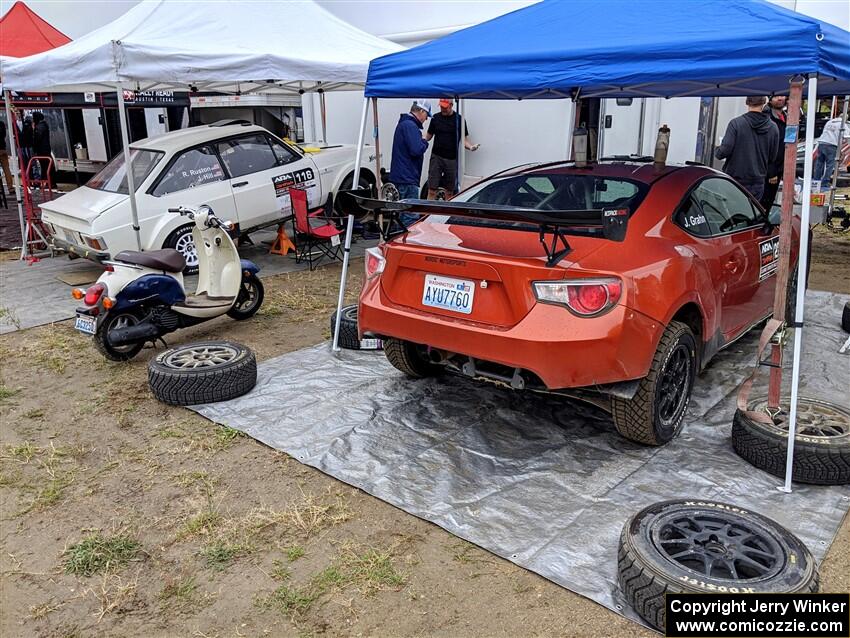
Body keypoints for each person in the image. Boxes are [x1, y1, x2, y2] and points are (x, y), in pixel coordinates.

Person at [715, 96, 779, 201]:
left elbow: (723, 151)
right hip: (757, 182)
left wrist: (717, 150)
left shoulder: (736, 124)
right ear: (764, 103)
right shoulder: (773, 127)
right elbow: (772, 157)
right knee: (750, 214)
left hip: (734, 180)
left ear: (747, 103)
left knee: (732, 214)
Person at [424, 98, 479, 199]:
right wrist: (418, 138)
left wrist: (471, 147)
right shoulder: (435, 118)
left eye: (445, 107)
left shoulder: (459, 120)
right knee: (432, 189)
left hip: (451, 159)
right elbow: (428, 136)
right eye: (441, 106)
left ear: (451, 105)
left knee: (449, 190)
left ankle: (446, 212)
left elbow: (464, 140)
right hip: (436, 157)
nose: (442, 109)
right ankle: (428, 212)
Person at [389, 99, 431, 224]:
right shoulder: (410, 126)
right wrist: (424, 141)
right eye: (426, 115)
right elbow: (416, 150)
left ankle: (397, 239)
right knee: (410, 215)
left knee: (400, 214)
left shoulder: (404, 124)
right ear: (422, 111)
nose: (426, 119)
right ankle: (406, 241)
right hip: (407, 178)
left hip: (401, 176)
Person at [760, 95, 787, 210]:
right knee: (763, 202)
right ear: (770, 99)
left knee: (770, 201)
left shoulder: (785, 116)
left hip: (779, 167)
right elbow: (765, 146)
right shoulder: (767, 117)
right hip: (768, 170)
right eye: (776, 96)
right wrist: (772, 171)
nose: (780, 98)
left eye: (782, 96)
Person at [814, 115, 848, 189]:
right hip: (832, 145)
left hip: (822, 143)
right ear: (845, 118)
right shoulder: (843, 124)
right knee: (830, 165)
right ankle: (824, 183)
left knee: (819, 164)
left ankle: (816, 182)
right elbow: (847, 137)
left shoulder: (829, 122)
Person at [32, 111, 53, 182]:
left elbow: (37, 139)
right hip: (46, 149)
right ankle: (49, 182)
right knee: (47, 166)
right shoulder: (44, 125)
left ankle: (47, 181)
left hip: (41, 150)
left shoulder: (39, 127)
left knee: (44, 166)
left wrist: (34, 149)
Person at [0, 119, 13, 195]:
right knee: (6, 169)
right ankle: (10, 188)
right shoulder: (1, 123)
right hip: (3, 148)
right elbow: (4, 135)